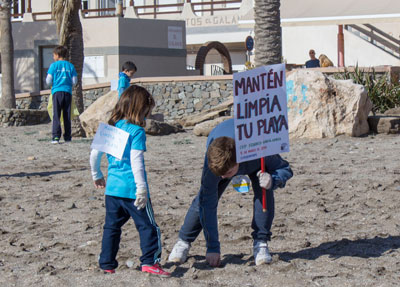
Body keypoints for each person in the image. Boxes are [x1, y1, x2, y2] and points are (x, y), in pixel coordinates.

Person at [168, 119, 293, 267]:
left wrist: (273, 179)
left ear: (238, 161)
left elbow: (285, 169)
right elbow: (207, 205)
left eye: (228, 173)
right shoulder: (214, 165)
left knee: (265, 189)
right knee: (204, 198)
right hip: (222, 146)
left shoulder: (260, 148)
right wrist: (212, 247)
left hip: (254, 160)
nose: (223, 178)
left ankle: (261, 242)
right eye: (220, 174)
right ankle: (183, 242)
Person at [89, 85, 171, 277]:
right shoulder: (136, 132)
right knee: (149, 227)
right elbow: (136, 162)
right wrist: (141, 189)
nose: (146, 116)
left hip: (112, 189)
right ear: (139, 109)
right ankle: (150, 262)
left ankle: (107, 263)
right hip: (132, 189)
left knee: (111, 228)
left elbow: (94, 154)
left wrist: (96, 174)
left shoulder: (111, 128)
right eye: (146, 112)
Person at [46, 45, 77, 144]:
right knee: (67, 115)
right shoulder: (70, 66)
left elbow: (48, 80)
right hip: (67, 92)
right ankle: (67, 137)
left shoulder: (53, 66)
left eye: (53, 55)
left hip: (57, 92)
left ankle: (56, 137)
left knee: (56, 115)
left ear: (57, 55)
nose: (53, 57)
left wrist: (53, 85)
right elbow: (74, 81)